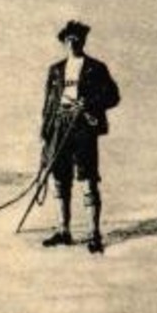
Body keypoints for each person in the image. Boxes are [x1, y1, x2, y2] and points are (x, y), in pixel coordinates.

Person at [39, 20, 119, 254]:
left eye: (76, 40)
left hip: (83, 127)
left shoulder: (96, 67)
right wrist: (45, 135)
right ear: (64, 42)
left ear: (83, 41)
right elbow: (48, 106)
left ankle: (94, 234)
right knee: (60, 179)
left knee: (88, 179)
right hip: (59, 127)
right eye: (68, 40)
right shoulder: (55, 70)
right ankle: (64, 231)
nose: (72, 44)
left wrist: (90, 103)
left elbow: (113, 96)